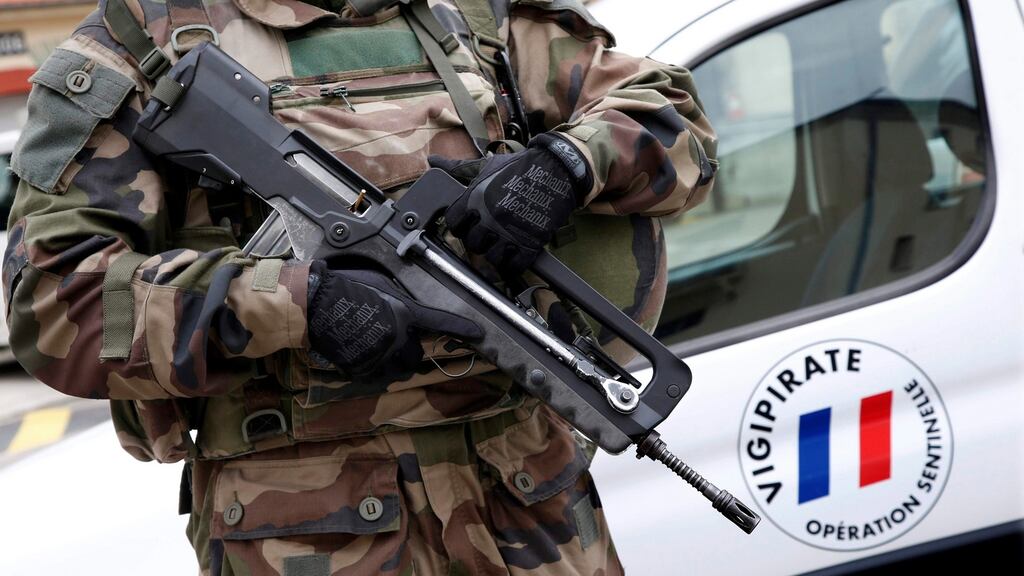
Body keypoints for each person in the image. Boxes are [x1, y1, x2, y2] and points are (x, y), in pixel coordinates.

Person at [3, 0, 716, 573]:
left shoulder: (475, 20)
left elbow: (675, 113)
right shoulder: (140, 43)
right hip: (305, 529)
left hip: (528, 507)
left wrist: (566, 164)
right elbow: (52, 303)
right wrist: (294, 304)